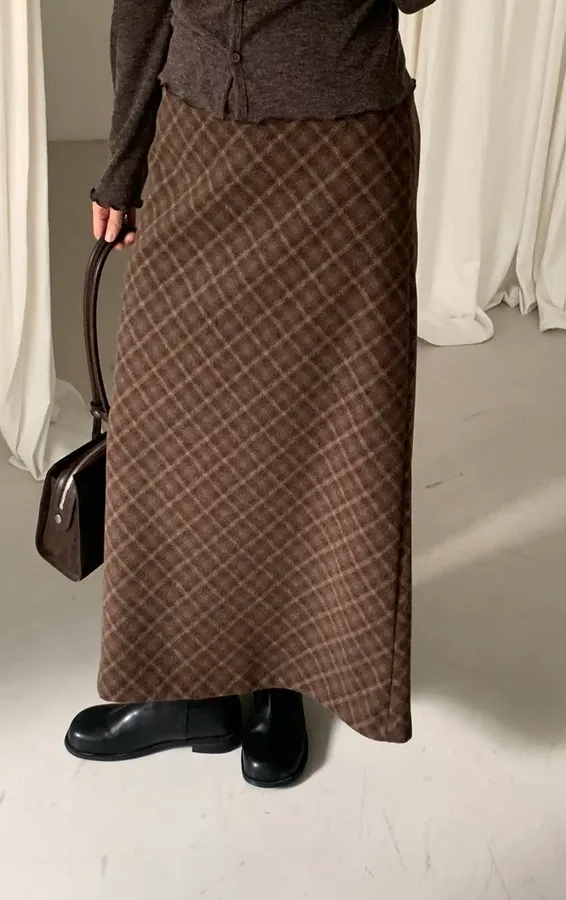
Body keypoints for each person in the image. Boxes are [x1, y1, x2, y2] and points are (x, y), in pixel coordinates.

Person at [65, 0, 435, 789]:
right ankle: (188, 692)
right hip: (197, 131)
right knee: (169, 425)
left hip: (342, 150)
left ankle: (280, 679)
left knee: (313, 429)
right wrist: (125, 161)